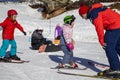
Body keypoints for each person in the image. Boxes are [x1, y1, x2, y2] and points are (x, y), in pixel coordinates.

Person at [79, 3, 120, 77]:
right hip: (118, 24)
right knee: (117, 46)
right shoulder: (97, 9)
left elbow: (99, 27)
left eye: (82, 16)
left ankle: (115, 69)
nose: (83, 18)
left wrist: (101, 40)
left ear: (85, 13)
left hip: (114, 26)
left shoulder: (94, 13)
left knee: (108, 46)